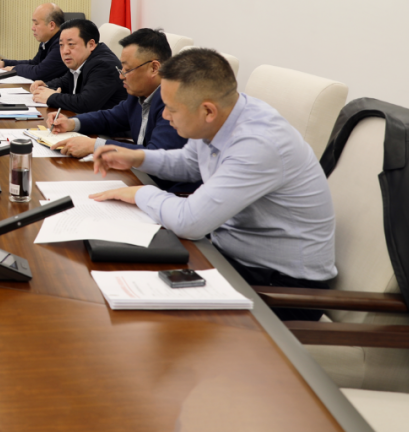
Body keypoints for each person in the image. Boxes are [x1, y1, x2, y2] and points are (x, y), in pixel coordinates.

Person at [89, 49, 337, 322]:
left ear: (207, 110)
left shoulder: (258, 143)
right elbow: (190, 163)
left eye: (171, 109)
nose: (166, 116)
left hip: (282, 288)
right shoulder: (226, 114)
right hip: (226, 255)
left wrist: (141, 193)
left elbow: (189, 222)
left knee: (142, 317)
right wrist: (138, 158)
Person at [50, 29, 195, 192]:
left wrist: (96, 146)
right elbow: (109, 118)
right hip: (140, 178)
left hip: (170, 191)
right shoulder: (138, 94)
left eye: (127, 70)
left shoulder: (174, 103)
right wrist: (71, 123)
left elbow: (156, 156)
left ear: (154, 68)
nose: (121, 76)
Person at [30, 18, 126, 113]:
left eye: (71, 44)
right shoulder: (82, 60)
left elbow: (85, 104)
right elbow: (65, 82)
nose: (65, 51)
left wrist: (51, 97)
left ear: (91, 45)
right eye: (61, 45)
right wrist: (45, 86)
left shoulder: (104, 66)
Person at [0, 3, 66, 82]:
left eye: (36, 23)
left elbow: (39, 72)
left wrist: (14, 69)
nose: (32, 28)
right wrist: (5, 63)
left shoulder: (62, 44)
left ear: (51, 25)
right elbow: (34, 63)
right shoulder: (47, 41)